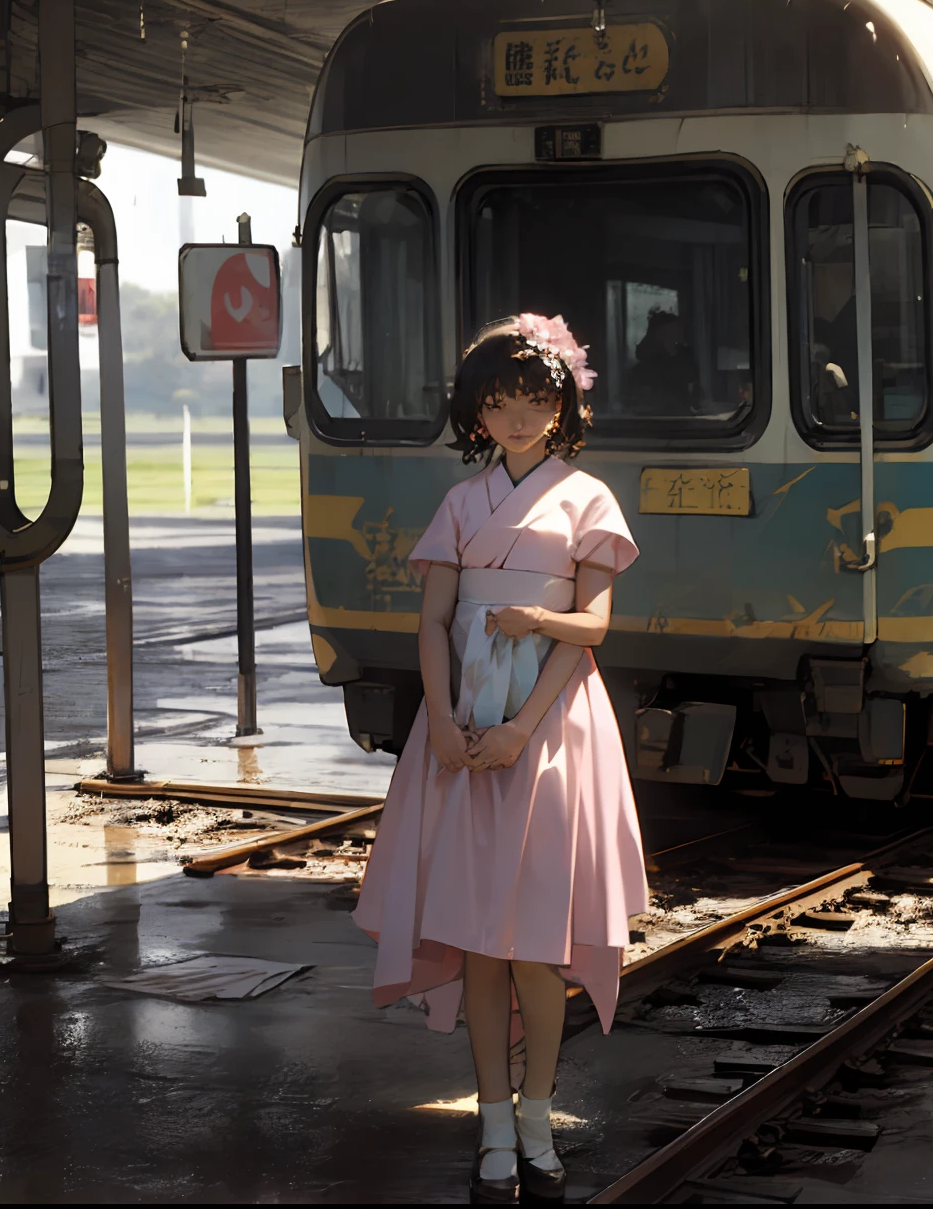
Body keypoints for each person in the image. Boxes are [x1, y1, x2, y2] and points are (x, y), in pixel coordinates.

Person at [353, 312, 644, 1204]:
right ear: (477, 412)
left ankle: (536, 1115)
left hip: (550, 731)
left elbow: (593, 625)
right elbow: (432, 622)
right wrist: (436, 722)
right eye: (501, 401)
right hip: (463, 734)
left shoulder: (588, 497)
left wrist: (534, 638)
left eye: (535, 399)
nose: (519, 416)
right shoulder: (459, 503)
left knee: (534, 945)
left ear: (562, 408)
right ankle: (493, 1119)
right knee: (483, 944)